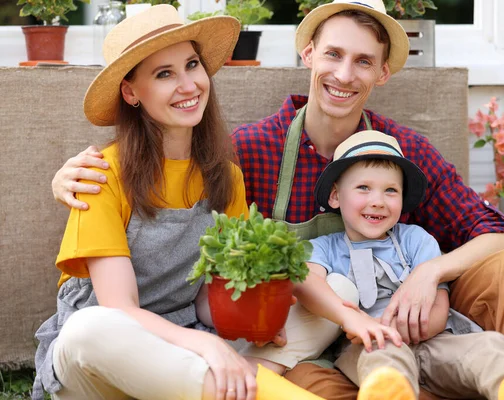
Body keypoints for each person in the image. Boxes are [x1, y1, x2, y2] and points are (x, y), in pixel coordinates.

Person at [49, 0, 504, 398]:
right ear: (308, 54)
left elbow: (501, 233)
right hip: (301, 347)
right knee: (314, 326)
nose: (344, 73)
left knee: (499, 262)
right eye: (333, 54)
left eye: (363, 61)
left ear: (382, 73)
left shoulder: (402, 150)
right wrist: (70, 179)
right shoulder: (249, 151)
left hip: (400, 321)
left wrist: (426, 276)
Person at [32, 6, 334, 400]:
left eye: (192, 65)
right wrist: (208, 346)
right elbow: (119, 308)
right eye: (164, 74)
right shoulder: (100, 174)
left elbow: (211, 297)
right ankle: (256, 388)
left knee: (331, 289)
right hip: (104, 361)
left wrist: (252, 319)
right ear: (131, 92)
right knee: (89, 328)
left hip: (184, 340)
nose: (189, 84)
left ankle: (222, 380)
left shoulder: (225, 177)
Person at [295, 129, 504, 400]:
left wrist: (420, 324)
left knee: (489, 347)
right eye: (363, 188)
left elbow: (439, 301)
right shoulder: (326, 247)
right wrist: (353, 320)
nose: (378, 201)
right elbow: (307, 280)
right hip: (370, 345)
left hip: (433, 342)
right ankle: (392, 393)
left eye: (391, 191)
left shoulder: (415, 240)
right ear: (335, 196)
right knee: (384, 363)